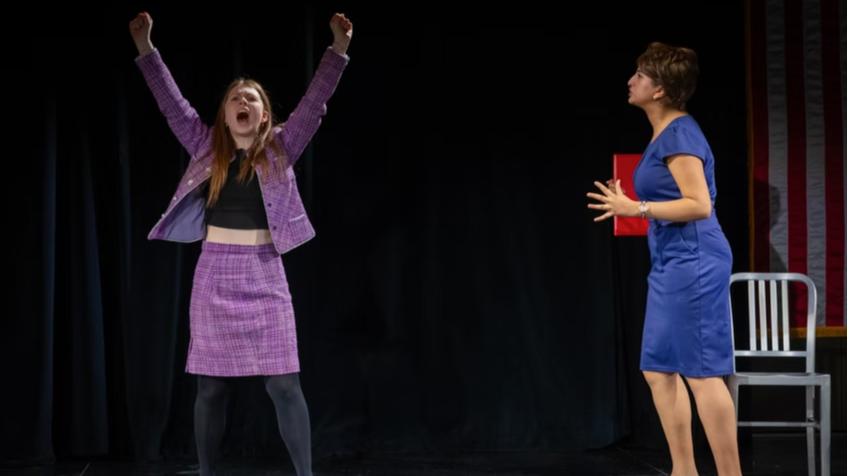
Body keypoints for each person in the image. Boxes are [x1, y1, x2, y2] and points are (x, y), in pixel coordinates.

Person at [128, 10, 352, 476]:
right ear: (226, 114)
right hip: (214, 271)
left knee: (285, 384)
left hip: (265, 269)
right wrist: (147, 49)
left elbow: (313, 104)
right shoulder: (204, 145)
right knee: (209, 387)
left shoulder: (282, 148)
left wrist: (337, 49)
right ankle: (208, 472)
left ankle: (305, 475)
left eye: (250, 97)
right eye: (235, 97)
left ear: (264, 114)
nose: (242, 101)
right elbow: (173, 105)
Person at [587, 42, 742, 476]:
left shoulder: (680, 133)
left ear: (660, 90)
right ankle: (684, 471)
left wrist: (636, 208)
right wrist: (633, 203)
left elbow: (698, 205)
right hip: (672, 261)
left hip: (694, 259)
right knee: (658, 369)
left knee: (700, 372)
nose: (631, 80)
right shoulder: (664, 132)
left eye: (640, 75)